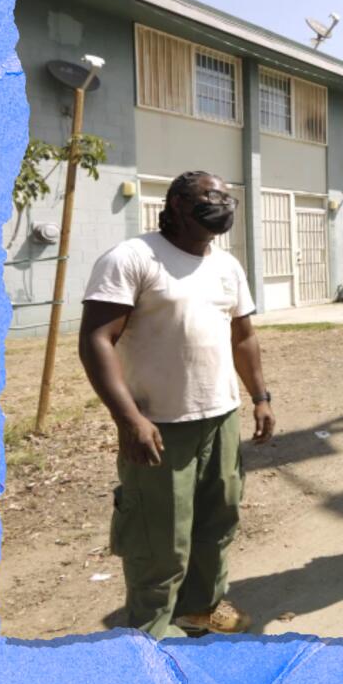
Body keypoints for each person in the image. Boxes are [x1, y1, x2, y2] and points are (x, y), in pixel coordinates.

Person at [78, 170, 275, 637]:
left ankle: (202, 609)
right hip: (160, 425)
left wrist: (260, 398)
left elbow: (243, 337)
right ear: (178, 204)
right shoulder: (132, 258)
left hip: (220, 419)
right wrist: (129, 419)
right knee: (159, 541)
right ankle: (151, 639)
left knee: (218, 521)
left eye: (229, 198)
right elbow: (96, 339)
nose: (223, 204)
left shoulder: (227, 266)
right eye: (212, 195)